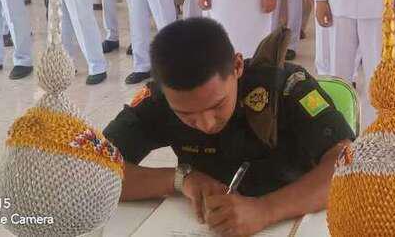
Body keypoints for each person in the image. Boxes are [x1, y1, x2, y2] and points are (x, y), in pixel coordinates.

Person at [103, 18, 354, 236]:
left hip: (298, 219)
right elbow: (93, 167)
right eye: (186, 114)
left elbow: (348, 164)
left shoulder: (286, 87)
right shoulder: (158, 100)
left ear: (237, 66)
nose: (206, 124)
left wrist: (266, 210)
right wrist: (179, 180)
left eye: (217, 105)